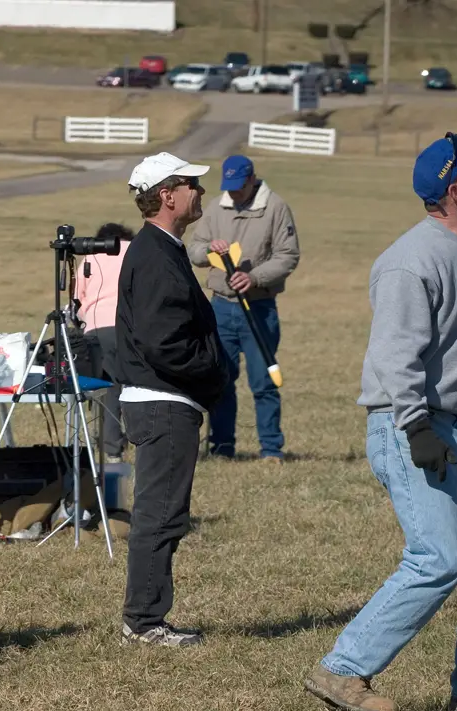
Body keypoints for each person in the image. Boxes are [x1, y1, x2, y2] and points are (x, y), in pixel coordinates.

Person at [304, 133, 457, 711]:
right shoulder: (412, 259)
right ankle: (343, 670)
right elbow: (395, 353)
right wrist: (417, 426)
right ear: (456, 190)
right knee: (440, 558)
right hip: (413, 429)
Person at [115, 151, 229, 647]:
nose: (200, 191)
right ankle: (144, 622)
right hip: (163, 402)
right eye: (192, 184)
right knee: (160, 514)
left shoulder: (164, 249)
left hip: (166, 401)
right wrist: (214, 369)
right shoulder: (156, 254)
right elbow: (165, 343)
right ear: (167, 195)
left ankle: (146, 618)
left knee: (165, 513)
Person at [187, 155, 300, 462]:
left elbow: (288, 256)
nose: (234, 193)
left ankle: (271, 448)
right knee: (222, 379)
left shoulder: (275, 207)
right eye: (230, 187)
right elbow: (194, 248)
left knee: (263, 382)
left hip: (259, 307)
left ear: (252, 180)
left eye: (239, 187)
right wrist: (209, 249)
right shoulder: (216, 208)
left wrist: (254, 277)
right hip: (220, 308)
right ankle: (222, 447)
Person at [73, 222, 135, 464]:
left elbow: (77, 299)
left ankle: (111, 448)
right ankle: (138, 438)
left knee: (108, 388)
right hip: (131, 325)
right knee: (135, 385)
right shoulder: (134, 251)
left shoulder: (91, 257)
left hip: (97, 327)